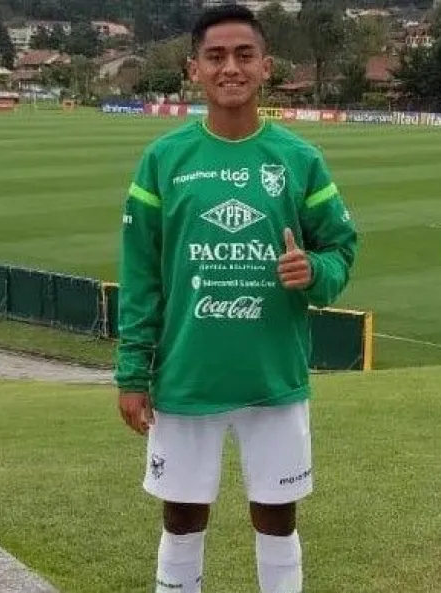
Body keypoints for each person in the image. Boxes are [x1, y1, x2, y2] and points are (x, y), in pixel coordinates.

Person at [114, 5, 358, 592]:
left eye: (243, 55)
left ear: (265, 67)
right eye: (216, 56)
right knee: (181, 518)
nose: (230, 67)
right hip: (185, 375)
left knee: (277, 517)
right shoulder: (163, 160)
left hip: (272, 376)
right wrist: (131, 371)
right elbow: (141, 273)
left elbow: (341, 249)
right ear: (193, 68)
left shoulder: (298, 159)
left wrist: (313, 270)